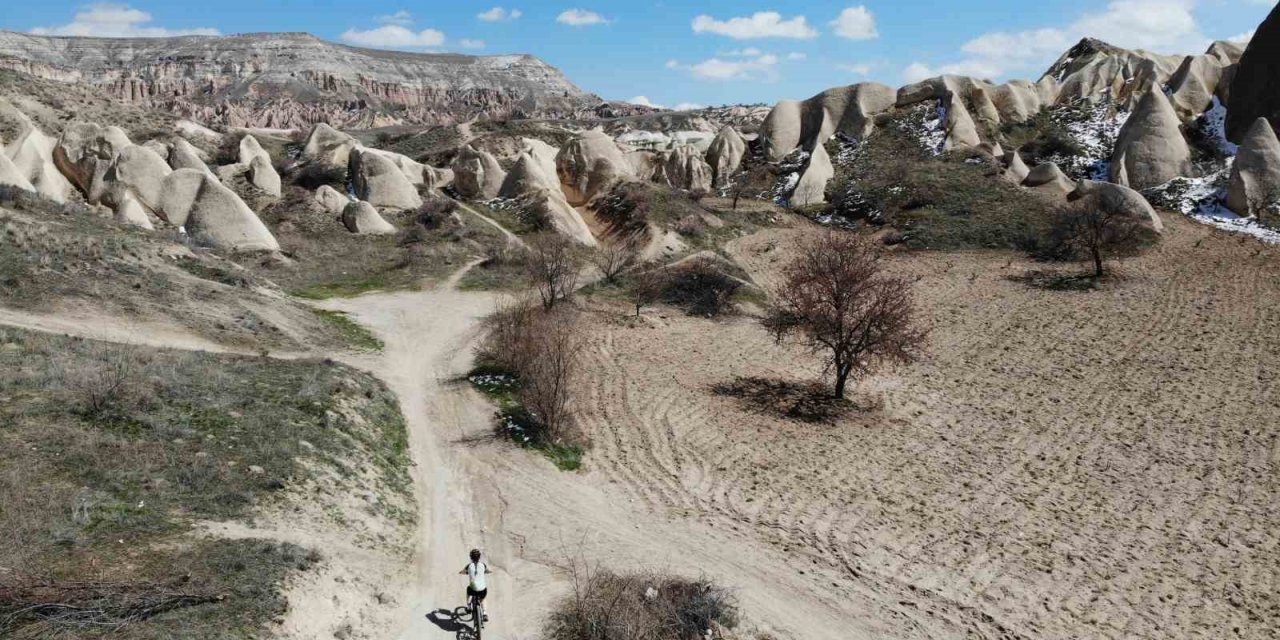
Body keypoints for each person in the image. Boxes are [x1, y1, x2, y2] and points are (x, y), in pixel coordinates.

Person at [460, 548, 491, 622]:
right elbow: (488, 571)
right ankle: (484, 613)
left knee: (468, 590)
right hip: (482, 590)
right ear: (479, 557)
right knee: (483, 598)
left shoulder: (469, 566)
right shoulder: (483, 565)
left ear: (471, 557)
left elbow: (463, 572)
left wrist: (464, 572)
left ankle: (468, 607)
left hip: (473, 589)